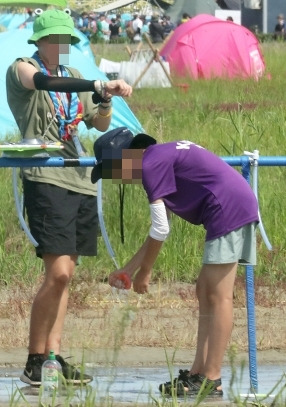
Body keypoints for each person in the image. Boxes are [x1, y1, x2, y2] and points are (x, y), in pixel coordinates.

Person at [5, 9, 133, 387]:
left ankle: (54, 357)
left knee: (67, 275)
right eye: (54, 39)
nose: (60, 46)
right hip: (45, 176)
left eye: (66, 40)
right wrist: (97, 84)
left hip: (81, 180)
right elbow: (42, 82)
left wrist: (107, 96)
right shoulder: (22, 68)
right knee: (57, 272)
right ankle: (35, 357)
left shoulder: (76, 77)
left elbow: (100, 123)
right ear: (40, 40)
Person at [90, 130, 259, 397]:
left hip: (229, 208)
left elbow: (160, 229)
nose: (115, 178)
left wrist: (145, 271)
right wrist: (129, 269)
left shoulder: (148, 165)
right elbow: (163, 224)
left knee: (219, 295)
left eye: (111, 171)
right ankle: (198, 373)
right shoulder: (157, 157)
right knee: (204, 289)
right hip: (230, 204)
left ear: (124, 158)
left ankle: (212, 377)